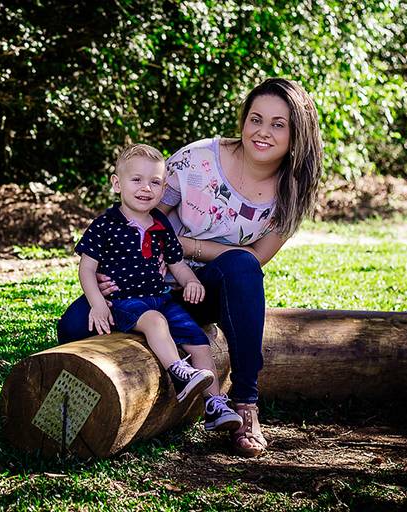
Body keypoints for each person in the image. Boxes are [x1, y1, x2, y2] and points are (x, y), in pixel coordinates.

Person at [57, 78, 324, 457]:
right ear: (243, 120)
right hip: (145, 285)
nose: (262, 132)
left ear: (297, 134)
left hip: (206, 292)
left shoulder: (291, 191)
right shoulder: (197, 160)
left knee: (242, 268)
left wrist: (190, 247)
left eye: (278, 124)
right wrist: (109, 269)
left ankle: (245, 405)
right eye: (255, 119)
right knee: (72, 323)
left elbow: (253, 259)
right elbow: (140, 216)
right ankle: (112, 382)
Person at [73, 143, 243, 431]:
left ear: (164, 189)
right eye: (136, 180)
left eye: (154, 182)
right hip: (126, 302)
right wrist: (98, 304)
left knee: (199, 341)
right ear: (117, 183)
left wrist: (190, 281)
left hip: (161, 298)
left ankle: (214, 404)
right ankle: (178, 372)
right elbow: (86, 269)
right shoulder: (105, 225)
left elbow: (176, 264)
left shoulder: (161, 224)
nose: (145, 188)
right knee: (155, 321)